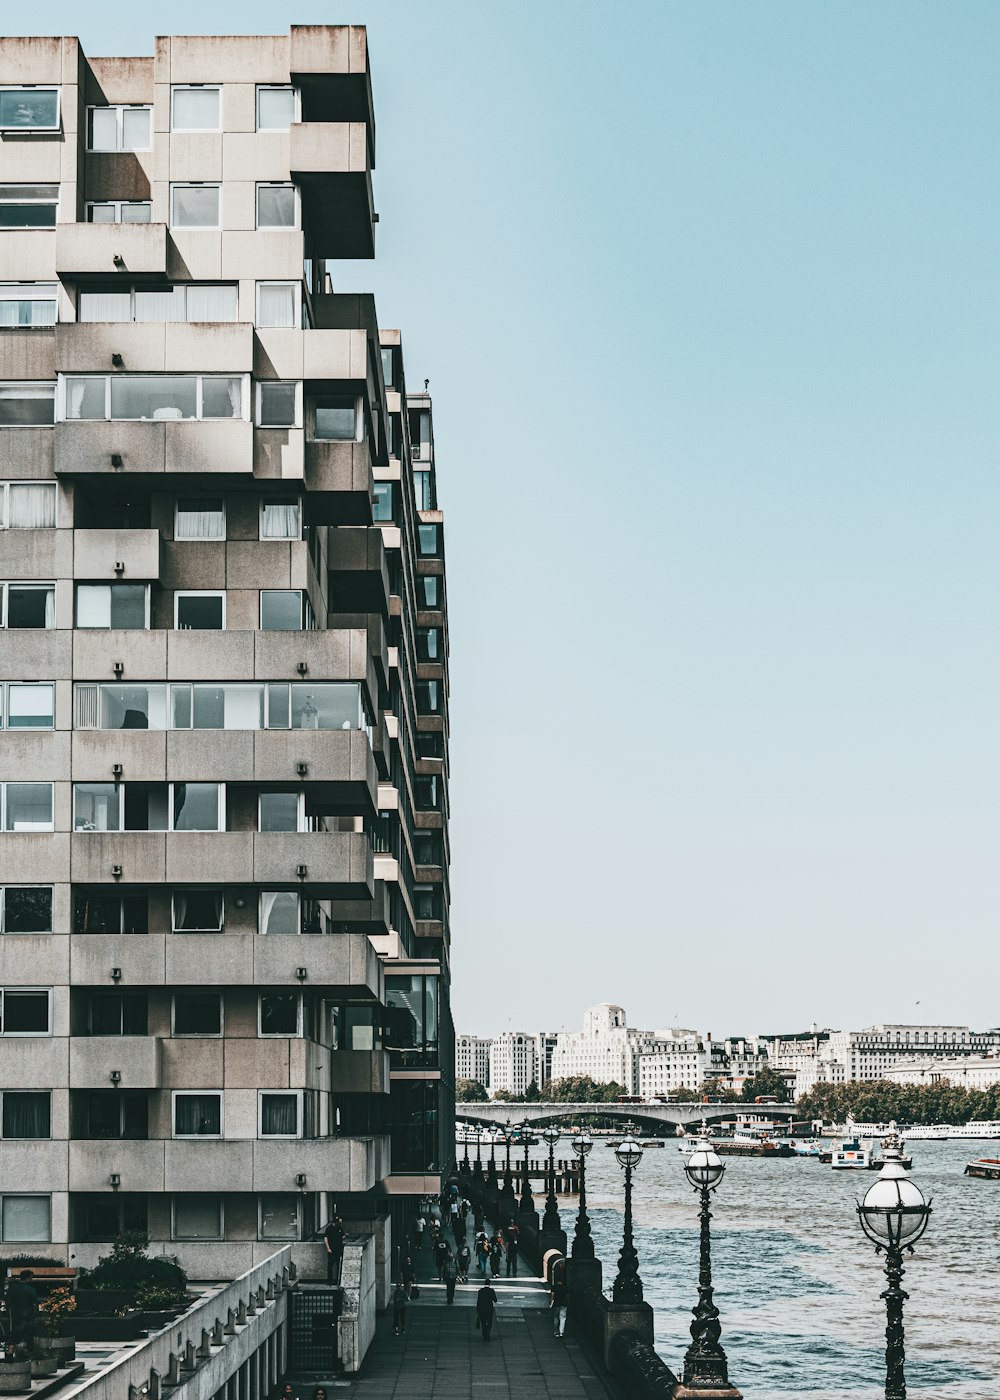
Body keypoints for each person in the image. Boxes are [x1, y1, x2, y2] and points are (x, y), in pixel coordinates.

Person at [5, 1271, 38, 1348]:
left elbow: (7, 1302)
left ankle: (10, 1353)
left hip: (15, 1315)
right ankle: (28, 1352)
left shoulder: (12, 1289)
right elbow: (35, 1304)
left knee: (13, 1335)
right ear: (28, 1277)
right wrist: (36, 1315)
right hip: (27, 1316)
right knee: (28, 1335)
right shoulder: (31, 1290)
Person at [323, 1216, 345, 1284]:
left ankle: (338, 1280)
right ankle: (330, 1280)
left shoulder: (339, 1228)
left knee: (339, 1264)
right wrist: (328, 1248)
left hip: (339, 1249)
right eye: (339, 1222)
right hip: (332, 1249)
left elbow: (343, 1235)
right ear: (336, 1222)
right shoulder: (329, 1228)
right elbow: (325, 1238)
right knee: (330, 1265)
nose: (340, 1224)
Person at [550, 1268, 569, 1338]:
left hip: (556, 1303)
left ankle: (556, 1332)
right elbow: (567, 1296)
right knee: (563, 1318)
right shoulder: (565, 1287)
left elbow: (552, 1296)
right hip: (564, 1304)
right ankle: (561, 1332)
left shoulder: (554, 1287)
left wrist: (550, 1303)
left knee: (556, 1317)